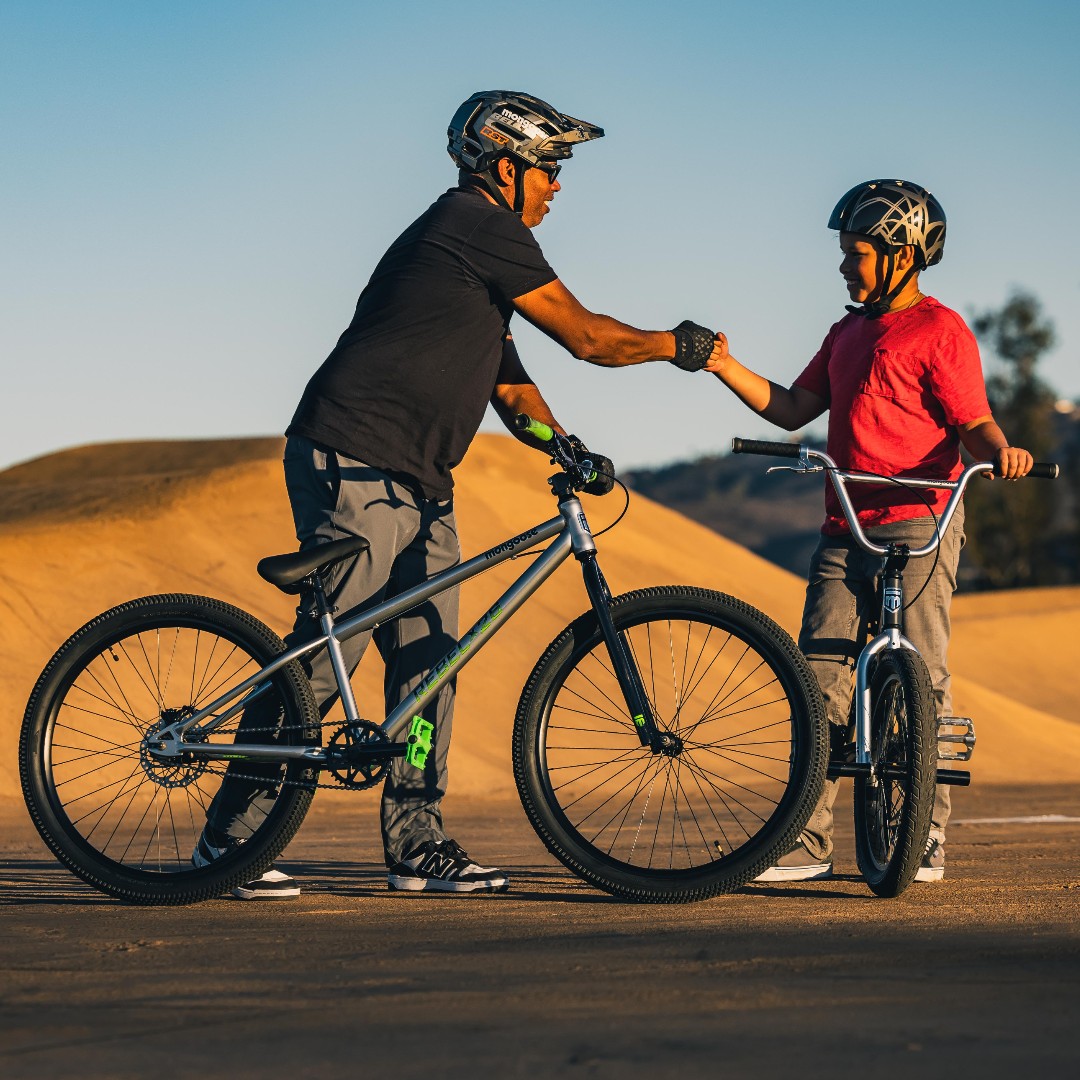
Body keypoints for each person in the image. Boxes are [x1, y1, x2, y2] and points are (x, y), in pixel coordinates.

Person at [195, 90, 723, 899]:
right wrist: (677, 346)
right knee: (331, 651)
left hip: (421, 477)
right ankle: (228, 845)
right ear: (504, 167)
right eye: (549, 168)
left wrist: (566, 447)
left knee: (431, 661)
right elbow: (587, 339)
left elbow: (513, 390)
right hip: (355, 456)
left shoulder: (479, 251)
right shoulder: (479, 225)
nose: (557, 185)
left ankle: (417, 842)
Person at [704, 179, 1033, 883]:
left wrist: (1000, 453)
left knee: (923, 677)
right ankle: (807, 842)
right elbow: (794, 409)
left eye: (858, 253)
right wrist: (723, 364)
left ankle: (927, 836)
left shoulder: (940, 331)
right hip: (843, 524)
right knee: (818, 678)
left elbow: (973, 423)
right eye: (846, 253)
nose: (846, 266)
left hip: (919, 524)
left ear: (905, 254)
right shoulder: (846, 332)